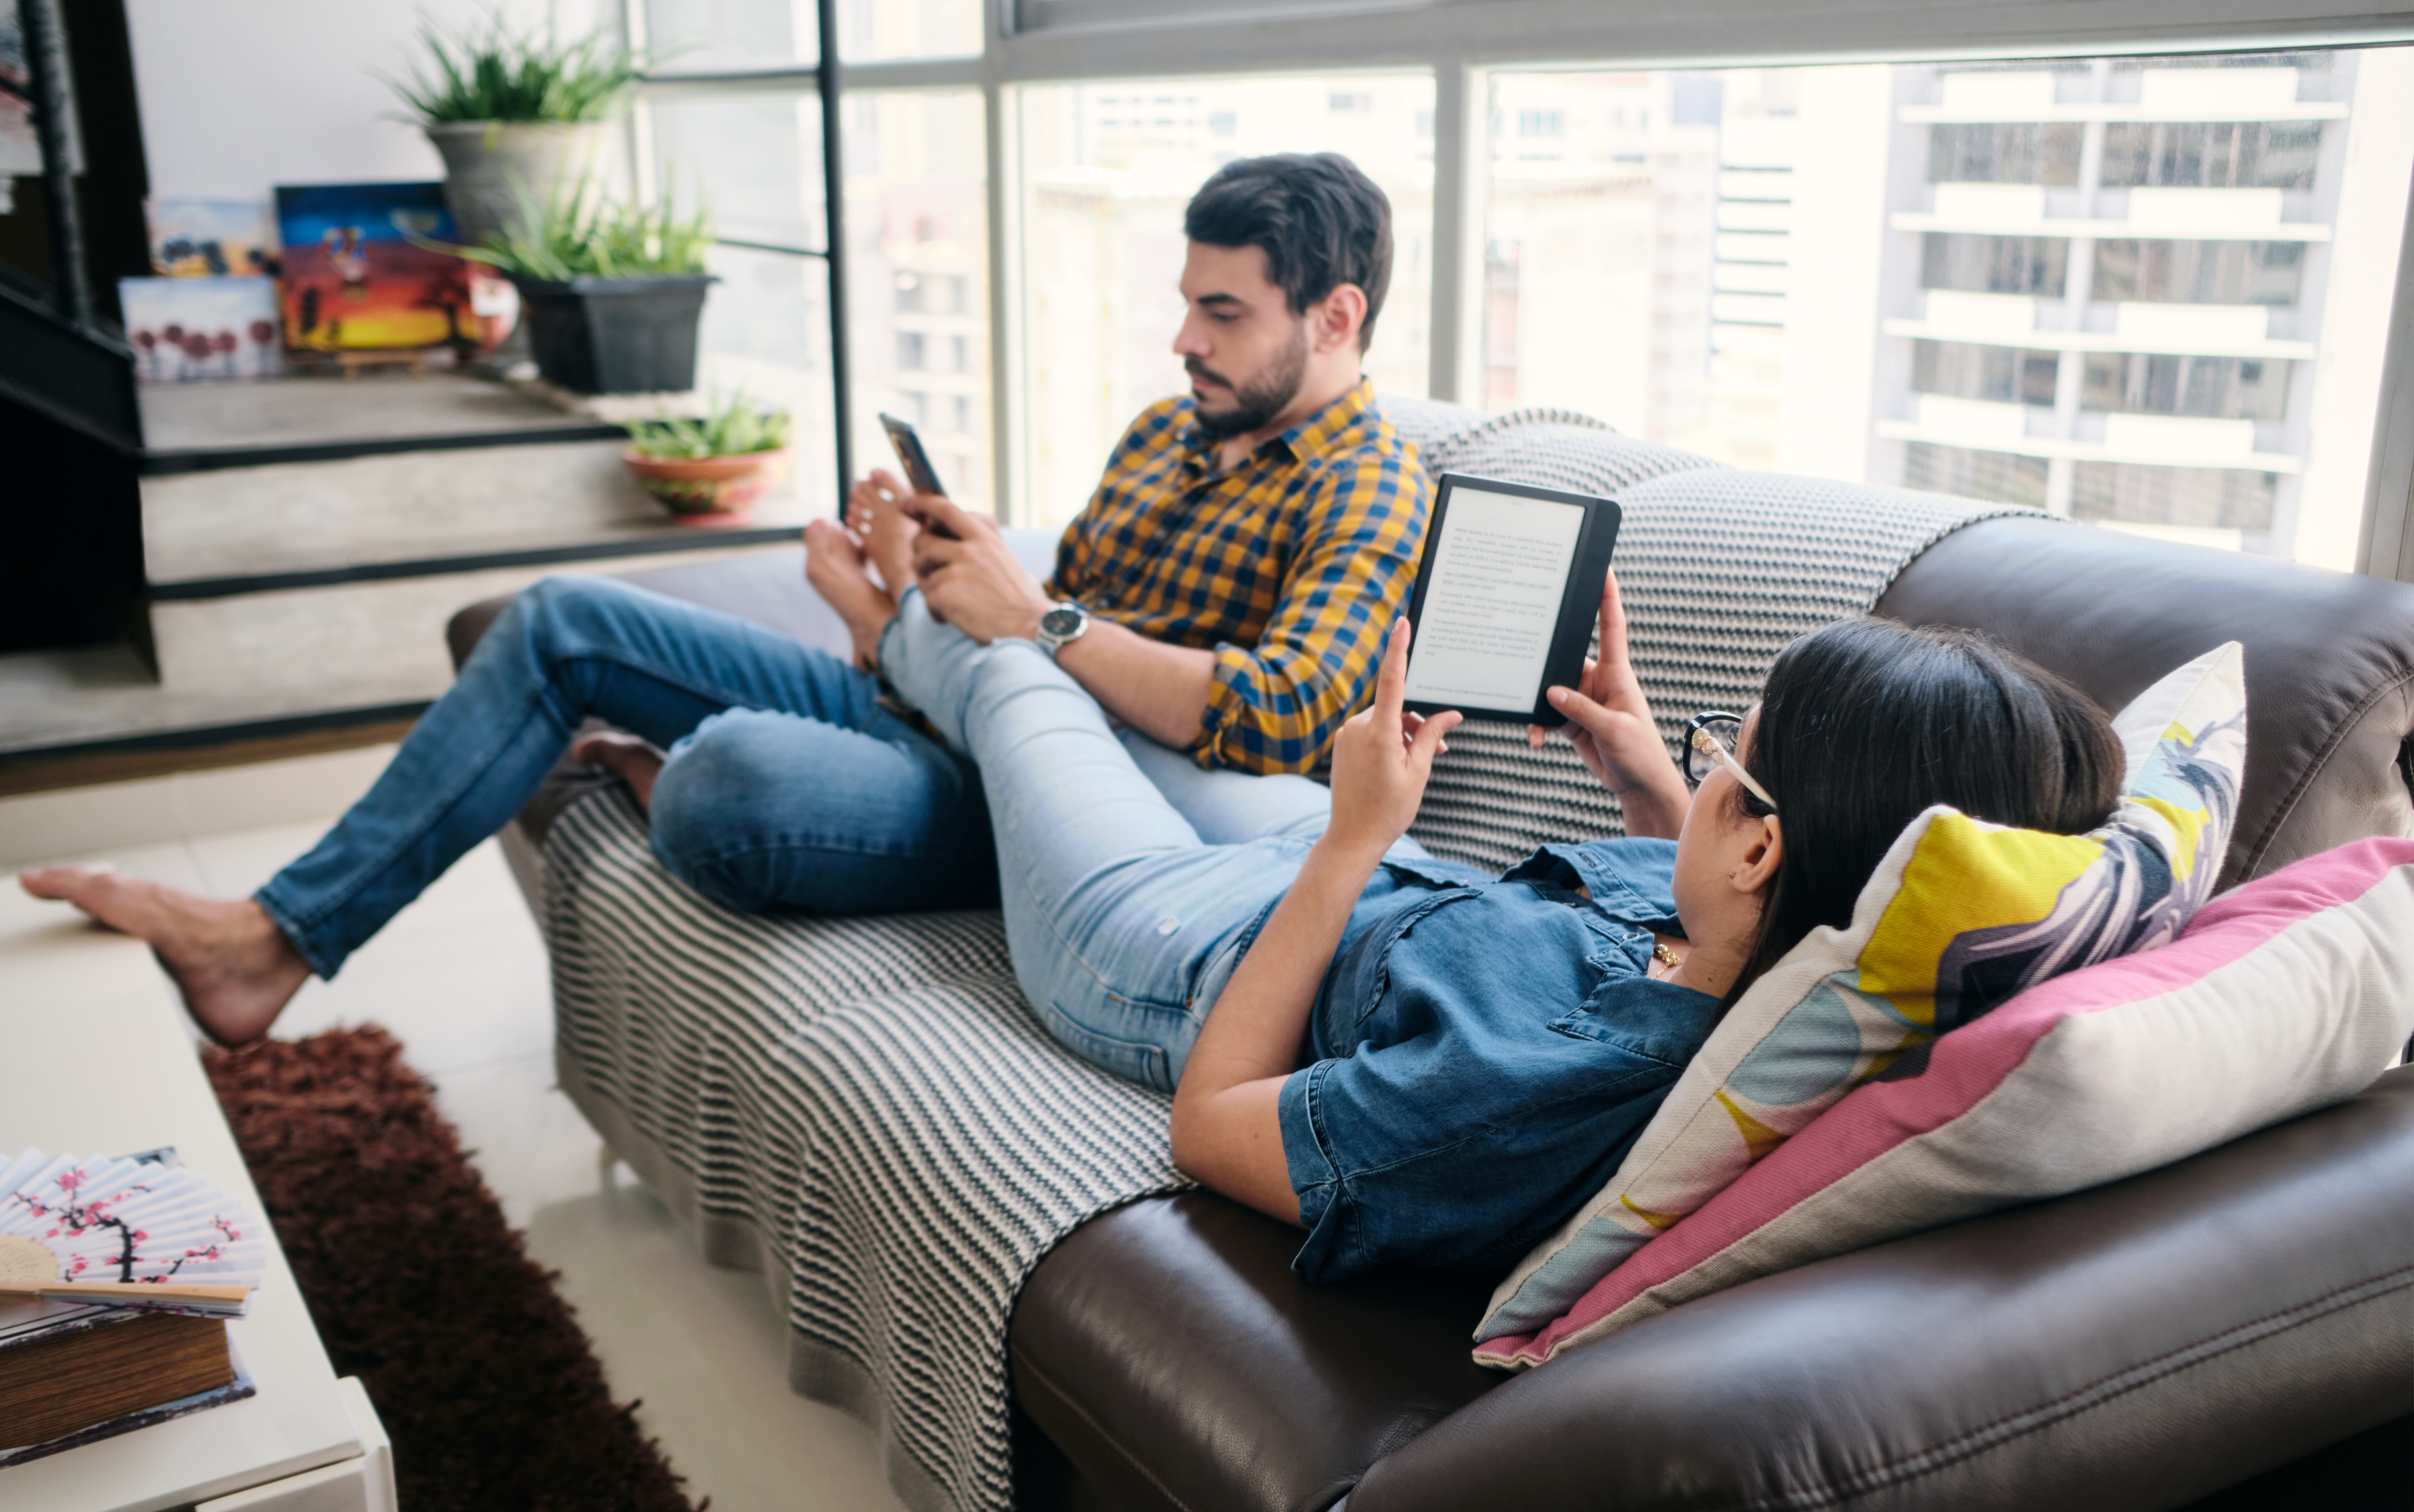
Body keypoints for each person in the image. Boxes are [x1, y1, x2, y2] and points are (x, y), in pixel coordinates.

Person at [17, 152, 1428, 1047]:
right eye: (1185, 302)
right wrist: (905, 600)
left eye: (1223, 313)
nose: (1183, 337)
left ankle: (303, 924)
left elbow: (1280, 713)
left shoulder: (1373, 482)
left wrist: (1036, 621)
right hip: (943, 703)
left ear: (1338, 316)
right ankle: (272, 940)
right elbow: (1044, 631)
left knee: (729, 781)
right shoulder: (1168, 430)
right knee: (566, 614)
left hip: (1049, 810)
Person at [850, 561, 2124, 1281]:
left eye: (1721, 761)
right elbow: (1705, 921)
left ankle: (883, 626)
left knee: (1019, 671)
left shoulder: (1527, 1094)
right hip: (1343, 866)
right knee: (1104, 712)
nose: (1702, 777)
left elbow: (1210, 1121)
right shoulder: (1776, 956)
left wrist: (1351, 842)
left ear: (1763, 847)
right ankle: (913, 678)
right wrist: (1652, 785)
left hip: (1185, 953)